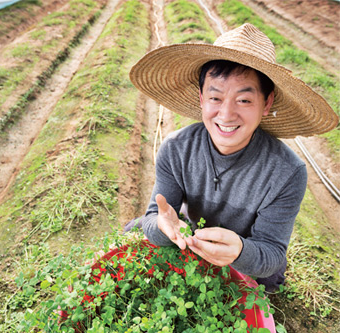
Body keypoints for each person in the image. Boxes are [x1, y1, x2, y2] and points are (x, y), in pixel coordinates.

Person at [128, 23, 338, 292]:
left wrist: (239, 251)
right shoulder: (175, 149)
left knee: (269, 282)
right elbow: (156, 215)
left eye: (244, 100)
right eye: (216, 97)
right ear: (201, 98)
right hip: (191, 238)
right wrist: (162, 227)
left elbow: (272, 253)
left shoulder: (287, 171)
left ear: (267, 103)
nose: (226, 115)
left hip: (245, 253)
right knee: (138, 231)